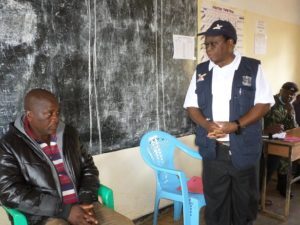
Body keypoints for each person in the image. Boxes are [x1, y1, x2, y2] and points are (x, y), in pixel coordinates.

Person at [184, 20, 274, 225]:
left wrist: (236, 124)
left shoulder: (252, 68)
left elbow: (264, 103)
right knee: (215, 206)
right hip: (214, 151)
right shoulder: (201, 71)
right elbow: (191, 106)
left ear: (230, 43)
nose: (208, 49)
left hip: (244, 150)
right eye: (206, 44)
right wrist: (207, 125)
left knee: (244, 205)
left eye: (213, 44)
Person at [0, 89, 134, 225]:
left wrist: (86, 199)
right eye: (49, 114)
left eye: (57, 113)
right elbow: (10, 192)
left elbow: (88, 167)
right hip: (45, 216)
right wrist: (65, 210)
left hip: (83, 204)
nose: (56, 119)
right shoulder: (9, 145)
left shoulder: (69, 134)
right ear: (30, 115)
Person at [263, 82, 298, 197]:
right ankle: (260, 194)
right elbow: (259, 121)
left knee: (288, 158)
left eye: (293, 95)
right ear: (281, 90)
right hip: (265, 139)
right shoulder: (271, 102)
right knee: (281, 159)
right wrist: (267, 129)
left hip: (280, 140)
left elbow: (292, 128)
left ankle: (282, 185)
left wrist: (290, 114)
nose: (290, 96)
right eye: (288, 93)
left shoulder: (289, 106)